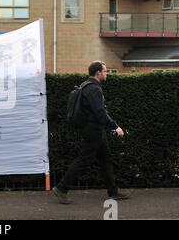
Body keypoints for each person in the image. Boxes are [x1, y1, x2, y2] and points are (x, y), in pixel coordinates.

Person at [53, 61, 130, 204]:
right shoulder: (94, 88)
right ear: (98, 73)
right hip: (93, 130)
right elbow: (100, 112)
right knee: (83, 160)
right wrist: (115, 127)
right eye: (105, 71)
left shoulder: (86, 85)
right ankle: (61, 188)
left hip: (94, 129)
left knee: (105, 160)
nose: (106, 73)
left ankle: (113, 191)